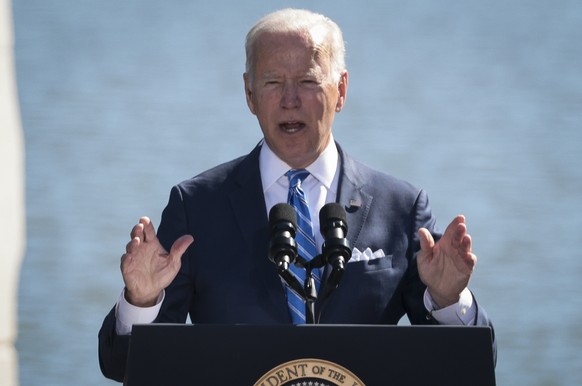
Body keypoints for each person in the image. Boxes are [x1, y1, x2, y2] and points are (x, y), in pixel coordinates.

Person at [98, 8, 495, 382]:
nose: (290, 99)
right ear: (249, 94)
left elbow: (469, 367)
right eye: (272, 83)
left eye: (307, 81)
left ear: (340, 90)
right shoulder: (197, 206)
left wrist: (447, 299)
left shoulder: (401, 209)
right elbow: (122, 367)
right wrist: (142, 301)